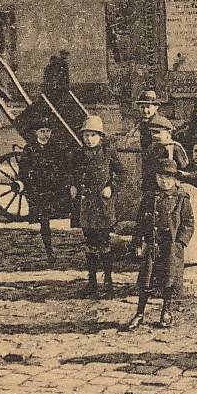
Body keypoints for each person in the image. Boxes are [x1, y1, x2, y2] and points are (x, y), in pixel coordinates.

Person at [128, 161, 194, 329]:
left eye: (169, 178)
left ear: (175, 179)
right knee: (146, 280)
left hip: (171, 246)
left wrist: (180, 242)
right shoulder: (149, 197)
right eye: (161, 178)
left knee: (169, 280)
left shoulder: (181, 197)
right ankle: (140, 313)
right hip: (153, 244)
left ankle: (166, 310)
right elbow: (141, 221)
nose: (165, 182)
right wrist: (137, 241)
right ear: (156, 178)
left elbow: (188, 223)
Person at [69, 114, 123, 297]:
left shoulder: (108, 152)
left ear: (101, 137)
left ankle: (108, 282)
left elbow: (122, 173)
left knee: (104, 244)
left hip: (103, 205)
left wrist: (111, 187)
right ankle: (92, 281)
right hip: (86, 206)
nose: (89, 139)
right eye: (86, 135)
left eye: (93, 135)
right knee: (89, 244)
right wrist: (73, 185)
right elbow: (72, 172)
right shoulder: (77, 154)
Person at [20, 124, 64, 267]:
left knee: (52, 216)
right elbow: (23, 170)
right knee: (44, 221)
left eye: (48, 131)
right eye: (42, 131)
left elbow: (63, 165)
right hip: (38, 189)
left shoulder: (55, 147)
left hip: (53, 188)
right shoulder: (30, 149)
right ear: (36, 132)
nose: (45, 134)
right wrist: (28, 186)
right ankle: (49, 250)